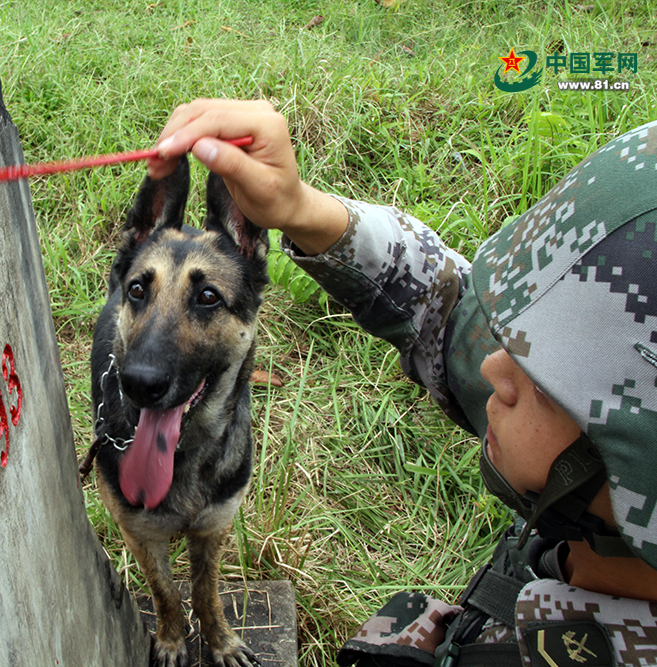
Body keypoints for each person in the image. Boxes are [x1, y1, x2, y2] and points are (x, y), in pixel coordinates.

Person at [148, 100, 657, 666]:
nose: (493, 369)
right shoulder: (602, 497)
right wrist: (299, 207)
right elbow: (449, 312)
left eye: (542, 379)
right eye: (512, 339)